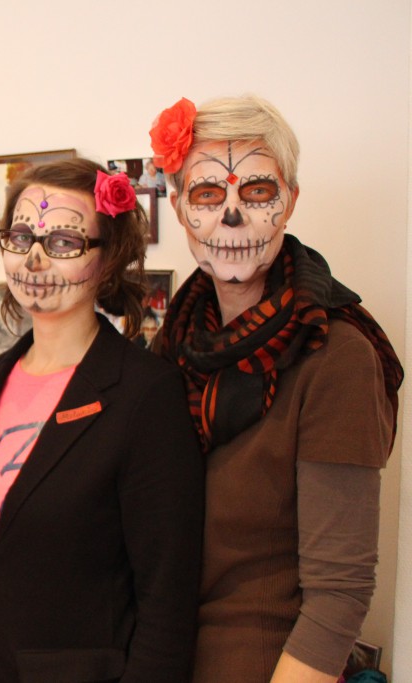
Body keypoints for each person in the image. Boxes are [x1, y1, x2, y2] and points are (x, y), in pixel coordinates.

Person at [0, 158, 204, 683]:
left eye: (65, 243)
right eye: (21, 237)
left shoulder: (144, 393)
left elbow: (167, 600)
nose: (35, 260)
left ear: (108, 257)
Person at [148, 95, 403, 682]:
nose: (231, 218)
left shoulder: (336, 358)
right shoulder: (174, 346)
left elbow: (338, 596)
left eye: (257, 192)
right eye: (208, 195)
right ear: (181, 208)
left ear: (289, 202)